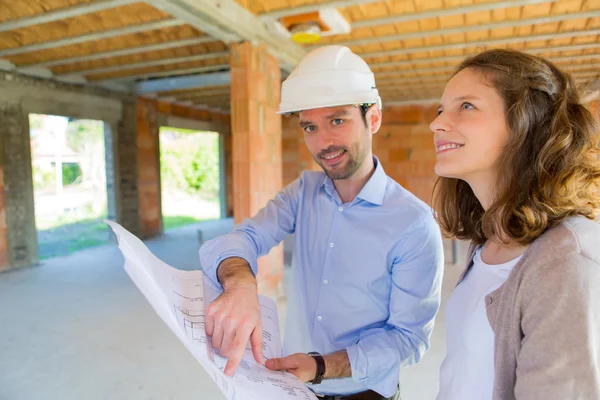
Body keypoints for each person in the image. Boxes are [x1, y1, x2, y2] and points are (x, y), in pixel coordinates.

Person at [199, 45, 444, 400]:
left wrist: (322, 366)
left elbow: (408, 338)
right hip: (294, 386)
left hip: (365, 391)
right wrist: (239, 283)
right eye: (310, 126)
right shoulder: (303, 193)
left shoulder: (413, 224)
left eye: (338, 120)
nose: (323, 142)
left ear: (372, 119)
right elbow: (245, 237)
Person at [431, 48, 600, 400]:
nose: (437, 123)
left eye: (466, 106)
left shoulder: (565, 261)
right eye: (440, 109)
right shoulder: (489, 240)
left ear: (526, 122)